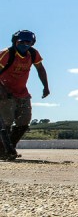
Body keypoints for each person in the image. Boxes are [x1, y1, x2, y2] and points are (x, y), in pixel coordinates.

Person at [0, 30, 50, 160]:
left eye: (29, 42)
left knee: (24, 121)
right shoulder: (6, 54)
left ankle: (8, 148)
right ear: (15, 41)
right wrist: (2, 90)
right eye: (22, 42)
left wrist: (45, 86)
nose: (25, 45)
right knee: (6, 121)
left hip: (22, 92)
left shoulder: (33, 54)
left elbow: (40, 69)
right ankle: (4, 150)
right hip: (5, 93)